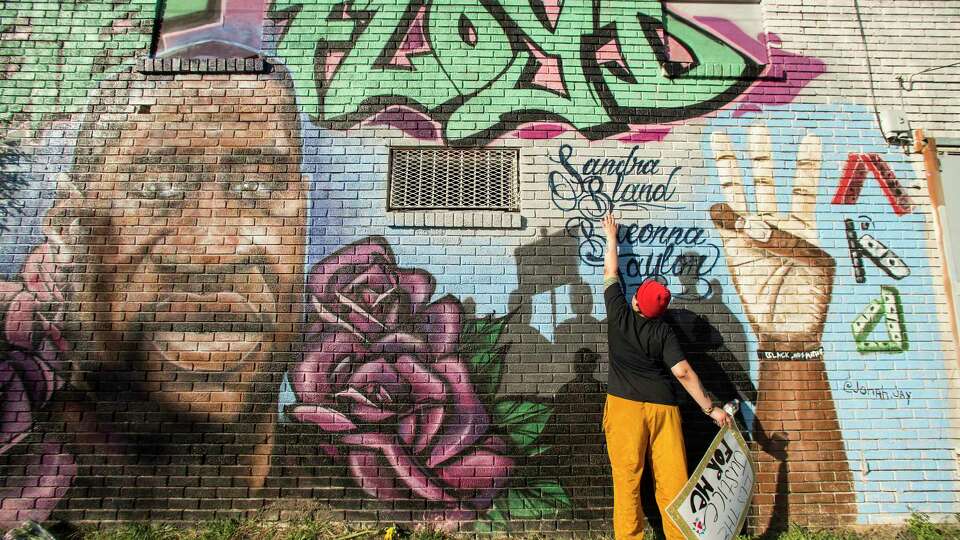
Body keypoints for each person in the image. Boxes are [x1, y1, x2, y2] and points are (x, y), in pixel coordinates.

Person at [0, 68, 311, 524]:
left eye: (259, 188)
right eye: (157, 189)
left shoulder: (345, 481)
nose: (212, 249)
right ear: (70, 228)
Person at [600, 211, 732, 540]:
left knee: (627, 482)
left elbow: (611, 271)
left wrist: (612, 238)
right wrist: (710, 408)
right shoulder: (664, 333)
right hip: (664, 409)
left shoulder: (618, 314)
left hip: (625, 408)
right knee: (673, 482)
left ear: (636, 301)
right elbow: (684, 372)